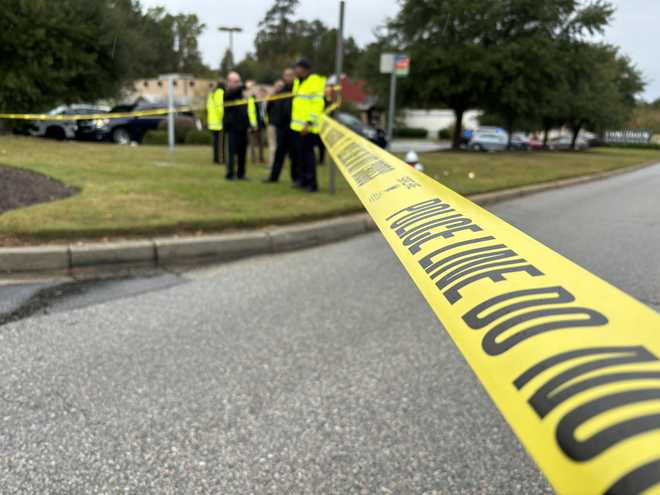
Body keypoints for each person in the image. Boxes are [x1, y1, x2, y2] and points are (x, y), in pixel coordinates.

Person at [290, 59, 326, 192]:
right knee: (300, 156)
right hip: (296, 126)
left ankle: (312, 184)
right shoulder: (298, 82)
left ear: (305, 69)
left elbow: (318, 104)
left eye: (297, 68)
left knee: (308, 156)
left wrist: (308, 122)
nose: (295, 71)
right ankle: (303, 180)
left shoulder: (314, 81)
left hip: (307, 127)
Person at [223, 71, 257, 180]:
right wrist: (244, 86)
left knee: (242, 152)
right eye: (235, 81)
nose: (238, 83)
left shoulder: (241, 94)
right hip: (232, 128)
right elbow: (233, 93)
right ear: (229, 82)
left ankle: (241, 174)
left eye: (239, 81)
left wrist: (249, 124)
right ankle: (230, 174)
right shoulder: (227, 93)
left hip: (243, 127)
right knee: (232, 153)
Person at [264, 68, 297, 183]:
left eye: (290, 75)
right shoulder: (280, 92)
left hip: (293, 127)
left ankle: (296, 178)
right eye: (286, 75)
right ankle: (273, 177)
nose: (288, 77)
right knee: (279, 153)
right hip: (281, 127)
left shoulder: (296, 89)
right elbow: (271, 107)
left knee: (294, 155)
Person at [206, 78, 225, 164]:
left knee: (215, 143)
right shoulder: (220, 93)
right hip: (219, 122)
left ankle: (216, 159)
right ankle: (221, 159)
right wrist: (223, 118)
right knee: (221, 143)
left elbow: (208, 107)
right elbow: (220, 107)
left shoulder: (211, 94)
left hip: (212, 122)